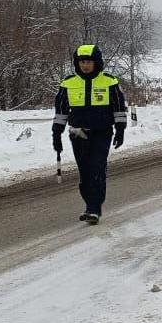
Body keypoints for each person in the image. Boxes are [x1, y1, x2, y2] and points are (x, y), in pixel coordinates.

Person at [52, 44, 127, 225]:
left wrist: (120, 130)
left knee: (97, 168)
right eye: (82, 62)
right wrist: (56, 134)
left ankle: (94, 208)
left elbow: (118, 107)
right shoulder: (68, 83)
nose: (85, 65)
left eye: (89, 62)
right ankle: (90, 205)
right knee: (85, 172)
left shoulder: (109, 82)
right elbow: (61, 112)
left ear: (97, 63)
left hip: (102, 132)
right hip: (78, 133)